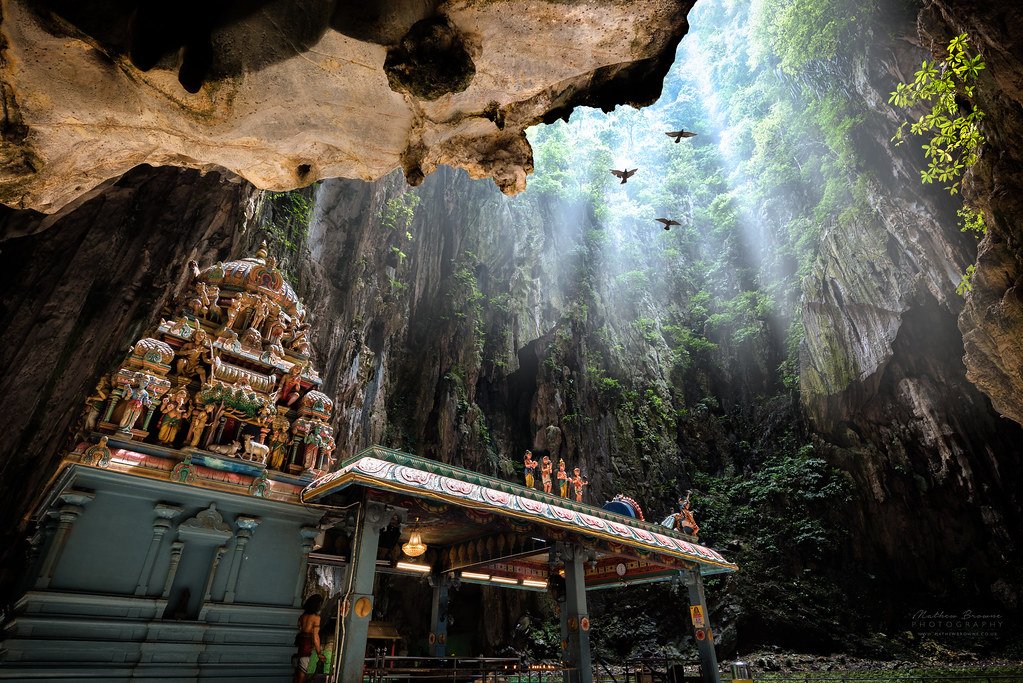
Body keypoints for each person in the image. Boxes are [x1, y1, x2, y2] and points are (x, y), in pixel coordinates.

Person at [295, 594, 325, 683]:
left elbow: (299, 629)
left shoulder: (302, 616)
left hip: (300, 644)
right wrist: (319, 653)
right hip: (307, 646)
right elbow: (315, 636)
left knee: (298, 673)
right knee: (302, 674)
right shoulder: (316, 618)